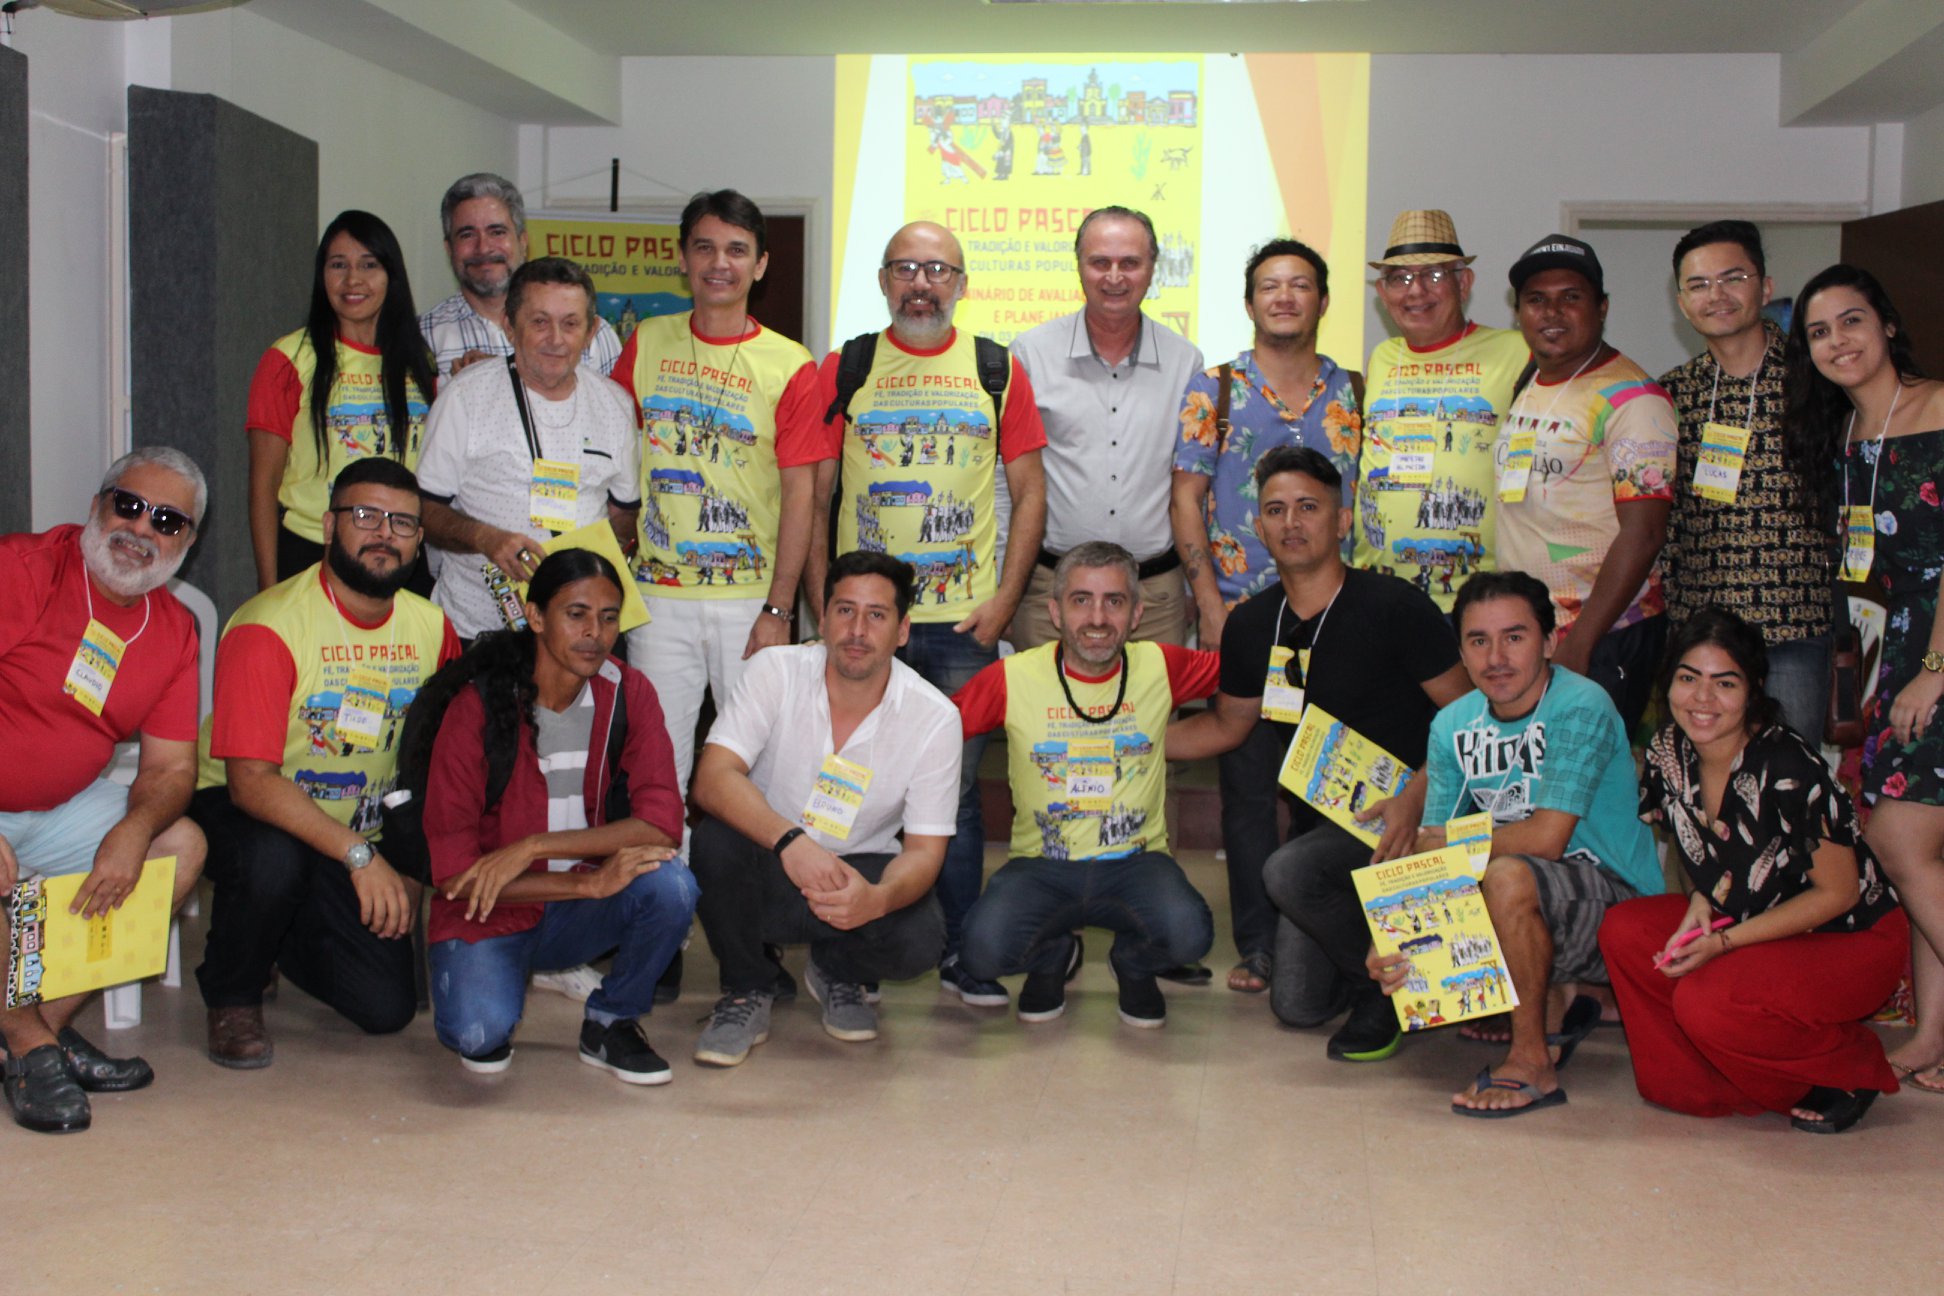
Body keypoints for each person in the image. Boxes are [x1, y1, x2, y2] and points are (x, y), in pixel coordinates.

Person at [809, 220, 1048, 1008]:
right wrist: (820, 603)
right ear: (884, 280)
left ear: (962, 283)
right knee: (845, 782)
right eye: (907, 268)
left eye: (938, 270)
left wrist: (1005, 599)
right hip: (863, 624)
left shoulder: (995, 369)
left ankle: (958, 951)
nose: (922, 283)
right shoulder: (846, 367)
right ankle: (847, 949)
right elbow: (814, 493)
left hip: (962, 627)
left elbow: (1031, 492)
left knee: (955, 797)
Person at [1170, 446, 1468, 1039]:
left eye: (1308, 507)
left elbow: (1468, 720)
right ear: (1259, 529)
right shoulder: (1253, 625)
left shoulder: (1395, 607)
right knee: (1298, 1005)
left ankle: (1382, 991)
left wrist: (1414, 797)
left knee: (1285, 871)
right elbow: (1227, 726)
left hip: (1412, 822)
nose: (1291, 522)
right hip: (1328, 833)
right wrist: (1127, 737)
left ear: (1341, 519)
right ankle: (1377, 959)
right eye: (1275, 510)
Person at [193, 457, 460, 1068]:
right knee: (273, 860)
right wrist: (358, 855)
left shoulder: (432, 627)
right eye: (365, 515)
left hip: (356, 826)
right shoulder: (269, 626)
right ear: (328, 525)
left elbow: (436, 758)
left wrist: (408, 859)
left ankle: (276, 934)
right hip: (251, 809)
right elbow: (250, 784)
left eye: (402, 523)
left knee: (386, 1009)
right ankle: (233, 993)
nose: (384, 534)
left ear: (420, 540)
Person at [1599, 609, 1906, 1132]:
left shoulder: (1786, 765)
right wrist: (1702, 903)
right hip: (1750, 915)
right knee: (1626, 930)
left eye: (1725, 683)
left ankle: (1848, 1065)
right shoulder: (1668, 751)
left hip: (1848, 937)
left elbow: (1838, 894)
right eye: (1688, 678)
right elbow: (1702, 850)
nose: (1702, 699)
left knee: (1708, 1001)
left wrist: (1724, 942)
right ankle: (1716, 1074)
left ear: (1753, 690)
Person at [1372, 571, 1662, 1116]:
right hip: (1538, 897)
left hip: (1623, 910)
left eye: (1514, 637)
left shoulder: (1581, 705)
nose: (1496, 658)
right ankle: (1556, 996)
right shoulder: (1452, 724)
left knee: (1506, 874)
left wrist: (1447, 841)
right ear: (1461, 653)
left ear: (1549, 642)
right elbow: (1434, 857)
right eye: (1478, 641)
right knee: (1474, 875)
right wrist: (1393, 931)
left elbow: (1546, 839)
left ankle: (1532, 1061)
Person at [611, 190, 825, 879]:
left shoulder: (790, 364)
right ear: (682, 259)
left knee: (760, 770)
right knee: (657, 771)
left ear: (760, 265)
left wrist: (780, 608)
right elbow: (611, 458)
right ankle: (662, 917)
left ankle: (754, 922)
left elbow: (802, 496)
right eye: (704, 247)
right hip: (657, 600)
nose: (719, 263)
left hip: (749, 603)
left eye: (736, 250)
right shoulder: (645, 342)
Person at [419, 551, 695, 1082]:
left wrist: (536, 847)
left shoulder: (628, 692)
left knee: (672, 886)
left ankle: (611, 1021)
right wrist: (583, 884)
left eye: (609, 618)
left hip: (578, 905)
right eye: (576, 614)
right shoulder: (478, 705)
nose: (595, 633)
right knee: (477, 1036)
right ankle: (496, 975)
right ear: (536, 616)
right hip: (490, 908)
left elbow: (662, 824)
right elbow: (454, 876)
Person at [1170, 240, 1364, 994]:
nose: (1285, 297)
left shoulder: (1353, 388)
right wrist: (1211, 607)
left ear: (1323, 300)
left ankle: (1317, 937)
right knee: (1248, 788)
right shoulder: (1214, 388)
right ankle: (1258, 943)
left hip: (1336, 621)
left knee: (1327, 783)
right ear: (1250, 303)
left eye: (1301, 285)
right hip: (1245, 621)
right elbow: (1187, 497)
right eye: (1270, 286)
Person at [0, 448, 210, 1134]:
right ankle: (31, 1045)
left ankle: (35, 1034)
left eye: (167, 521)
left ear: (187, 543)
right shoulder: (23, 569)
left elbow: (171, 770)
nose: (142, 528)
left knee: (178, 847)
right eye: (129, 505)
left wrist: (134, 830)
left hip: (55, 809)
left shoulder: (173, 630)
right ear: (97, 505)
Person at [686, 552, 960, 1066]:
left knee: (921, 938)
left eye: (876, 615)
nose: (857, 630)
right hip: (772, 859)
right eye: (845, 610)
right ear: (823, 616)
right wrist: (790, 841)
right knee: (714, 842)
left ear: (902, 630)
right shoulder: (775, 670)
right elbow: (712, 779)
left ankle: (838, 970)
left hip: (858, 869)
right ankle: (747, 986)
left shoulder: (936, 718)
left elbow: (925, 852)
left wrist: (877, 900)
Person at [1783, 263, 1944, 1093]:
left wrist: (1934, 672)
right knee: (1923, 852)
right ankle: (1931, 1034)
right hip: (1889, 661)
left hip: (1937, 657)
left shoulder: (1939, 407)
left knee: (1898, 842)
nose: (1837, 341)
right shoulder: (1845, 436)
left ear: (1885, 323)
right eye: (1819, 331)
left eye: (1851, 321)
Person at [954, 543, 1218, 1026]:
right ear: (1055, 612)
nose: (1097, 618)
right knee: (981, 952)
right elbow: (937, 730)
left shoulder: (1160, 665)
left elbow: (1244, 677)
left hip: (1137, 863)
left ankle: (1134, 965)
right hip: (1040, 865)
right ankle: (1051, 957)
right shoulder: (1012, 677)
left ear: (1136, 614)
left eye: (1114, 601)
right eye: (1081, 600)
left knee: (1190, 934)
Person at [1494, 234, 1679, 734]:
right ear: (1519, 312)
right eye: (1536, 299)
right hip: (1534, 631)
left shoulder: (1635, 399)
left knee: (1585, 776)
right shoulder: (1532, 378)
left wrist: (1580, 645)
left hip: (1602, 636)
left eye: (1570, 297)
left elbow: (1644, 534)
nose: (1552, 312)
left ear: (1602, 308)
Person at [1659, 221, 1832, 740]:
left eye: (1732, 278)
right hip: (1701, 638)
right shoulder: (1670, 395)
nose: (1716, 295)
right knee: (1701, 780)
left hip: (1793, 628)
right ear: (1682, 302)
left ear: (1766, 286)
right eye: (1699, 284)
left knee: (1788, 775)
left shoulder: (1816, 381)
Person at [418, 256, 641, 642]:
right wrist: (485, 539)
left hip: (577, 637)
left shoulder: (614, 405)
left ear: (591, 331)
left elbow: (625, 514)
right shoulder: (465, 397)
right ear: (509, 326)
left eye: (570, 324)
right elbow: (423, 509)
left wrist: (597, 557)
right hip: (479, 630)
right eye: (539, 322)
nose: (555, 339)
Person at [1010, 206, 1203, 649]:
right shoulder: (1031, 354)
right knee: (1041, 698)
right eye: (1100, 262)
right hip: (1051, 595)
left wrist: (1193, 587)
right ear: (1079, 267)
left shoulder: (1185, 362)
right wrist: (1007, 589)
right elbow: (1009, 485)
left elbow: (1193, 487)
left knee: (1154, 700)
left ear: (1152, 269)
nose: (1114, 277)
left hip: (1154, 599)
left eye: (1130, 263)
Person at [246, 210, 437, 590]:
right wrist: (268, 589)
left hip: (401, 555)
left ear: (391, 275)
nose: (353, 280)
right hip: (312, 553)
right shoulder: (288, 359)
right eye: (338, 265)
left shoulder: (420, 360)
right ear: (322, 275)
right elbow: (262, 487)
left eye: (369, 265)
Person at [1353, 209, 1529, 610]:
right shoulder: (1382, 358)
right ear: (1382, 292)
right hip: (1377, 593)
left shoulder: (1516, 351)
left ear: (1463, 283)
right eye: (1400, 278)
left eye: (1433, 275)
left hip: (1479, 600)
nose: (1415, 291)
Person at [418, 173, 621, 379]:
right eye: (467, 235)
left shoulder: (594, 336)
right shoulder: (423, 338)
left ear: (523, 242)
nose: (483, 248)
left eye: (497, 232)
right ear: (449, 249)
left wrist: (500, 374)